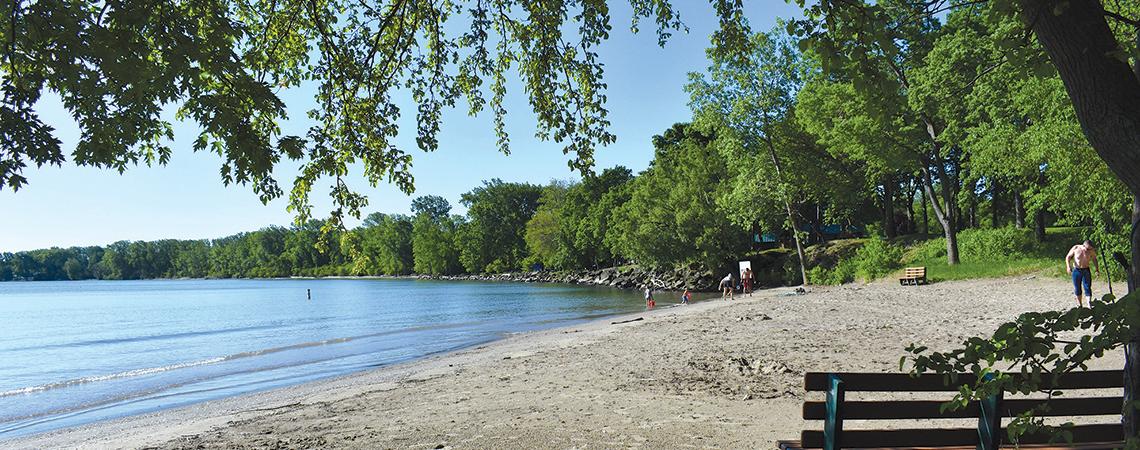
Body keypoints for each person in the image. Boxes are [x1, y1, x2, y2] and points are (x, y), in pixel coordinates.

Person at [1065, 239, 1100, 307]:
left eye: (1090, 249)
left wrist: (1097, 269)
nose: (1088, 250)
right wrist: (1068, 266)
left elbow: (1094, 259)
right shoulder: (1076, 248)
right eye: (1087, 248)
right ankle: (1080, 304)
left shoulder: (1091, 251)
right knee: (1077, 287)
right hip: (1077, 270)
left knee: (1087, 286)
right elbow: (1068, 257)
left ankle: (1089, 303)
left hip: (1086, 269)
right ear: (1083, 246)